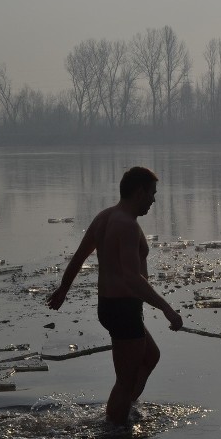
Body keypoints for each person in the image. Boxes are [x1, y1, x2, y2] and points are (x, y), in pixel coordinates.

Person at [47, 166, 183, 425]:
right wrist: (167, 309)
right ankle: (115, 430)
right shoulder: (128, 226)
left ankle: (126, 409)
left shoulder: (104, 217)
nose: (154, 200)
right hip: (123, 310)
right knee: (125, 380)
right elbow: (132, 278)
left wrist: (63, 289)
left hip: (110, 306)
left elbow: (78, 258)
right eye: (152, 194)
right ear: (139, 191)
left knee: (150, 356)